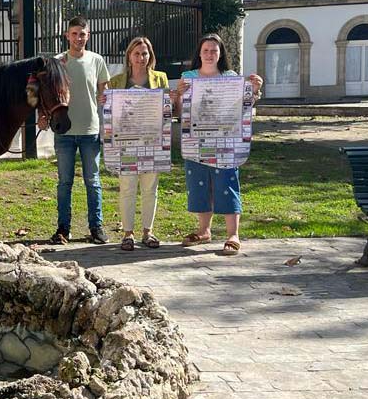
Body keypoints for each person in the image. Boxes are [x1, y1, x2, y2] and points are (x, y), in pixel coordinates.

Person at [172, 33, 263, 256]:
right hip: (196, 142)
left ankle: (233, 234)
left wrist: (255, 89)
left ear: (220, 53)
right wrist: (177, 96)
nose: (210, 54)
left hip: (226, 143)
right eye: (206, 50)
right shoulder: (188, 77)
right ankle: (204, 231)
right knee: (199, 185)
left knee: (227, 183)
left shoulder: (232, 77)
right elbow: (178, 112)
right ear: (199, 54)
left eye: (214, 50)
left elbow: (245, 105)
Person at [45, 16, 109, 245]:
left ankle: (96, 227)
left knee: (93, 181)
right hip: (64, 132)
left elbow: (105, 95)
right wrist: (44, 118)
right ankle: (63, 229)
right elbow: (48, 93)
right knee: (65, 182)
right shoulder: (57, 62)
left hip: (90, 130)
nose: (78, 38)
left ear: (88, 36)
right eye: (74, 34)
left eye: (82, 34)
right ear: (67, 36)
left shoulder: (97, 60)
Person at [101, 36, 168, 251]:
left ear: (150, 56)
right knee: (127, 188)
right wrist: (104, 101)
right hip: (126, 144)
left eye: (145, 53)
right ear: (129, 56)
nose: (141, 57)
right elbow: (110, 113)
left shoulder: (160, 78)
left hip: (152, 141)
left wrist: (172, 99)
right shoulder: (117, 81)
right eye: (137, 53)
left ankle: (148, 231)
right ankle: (127, 233)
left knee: (150, 189)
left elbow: (167, 110)